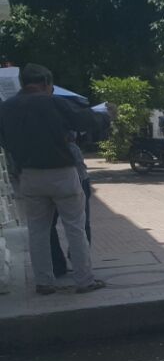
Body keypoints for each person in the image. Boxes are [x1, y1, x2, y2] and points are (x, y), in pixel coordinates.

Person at [0, 64, 104, 294]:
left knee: (38, 230)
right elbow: (85, 121)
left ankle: (44, 282)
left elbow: (5, 140)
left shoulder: (6, 108)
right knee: (75, 227)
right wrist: (105, 116)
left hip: (29, 175)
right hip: (62, 173)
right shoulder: (54, 103)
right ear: (47, 83)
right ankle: (84, 280)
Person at [49, 131, 92, 277]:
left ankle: (57, 266)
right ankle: (82, 269)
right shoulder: (64, 111)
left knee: (46, 226)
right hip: (75, 179)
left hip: (41, 177)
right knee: (80, 224)